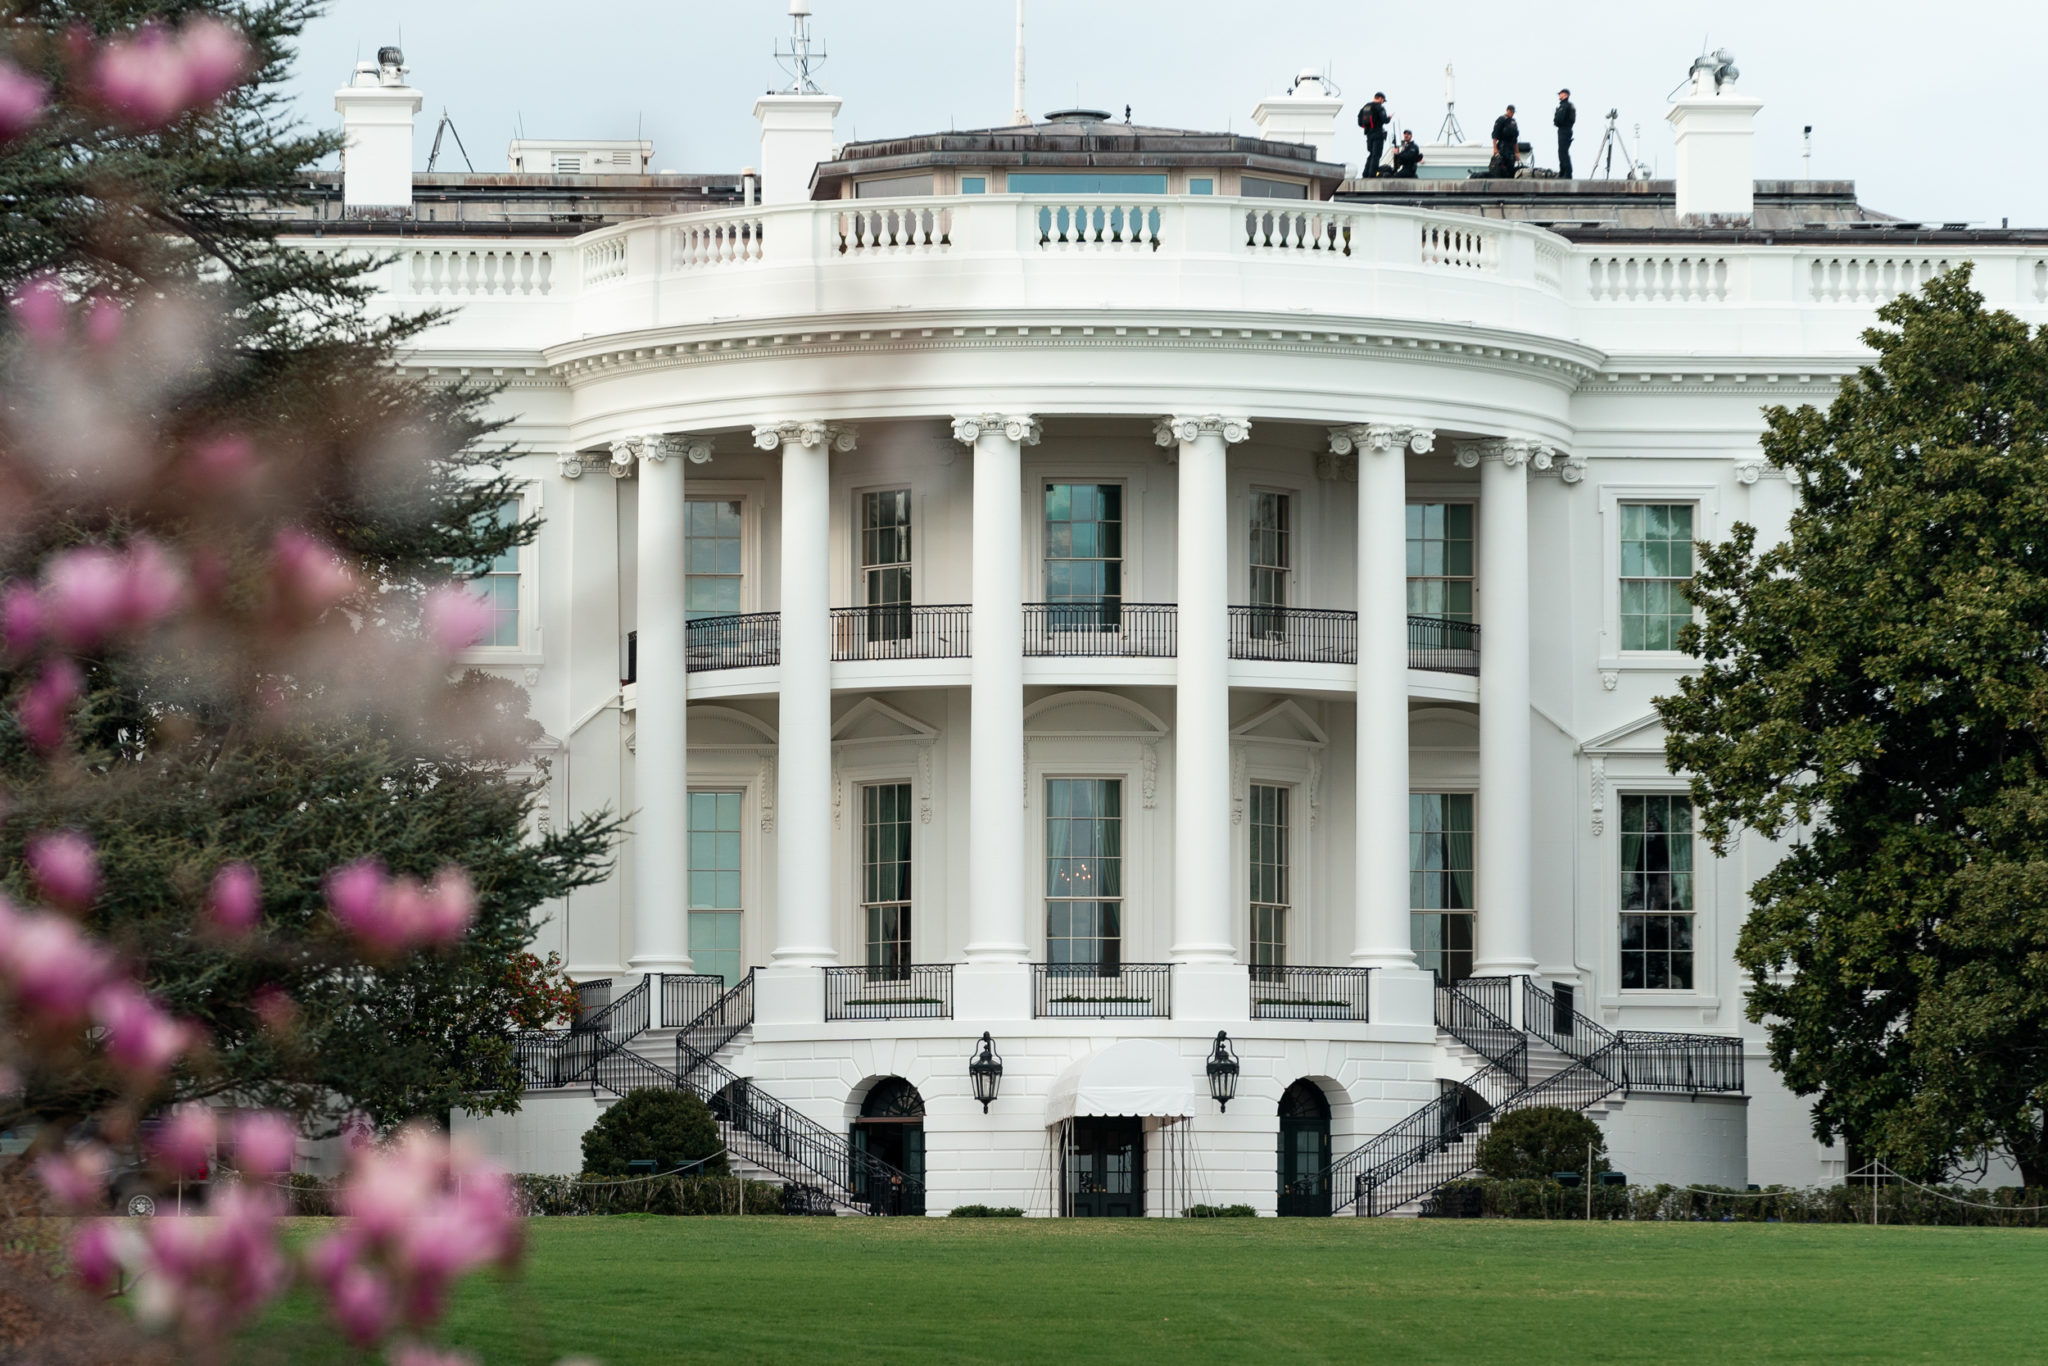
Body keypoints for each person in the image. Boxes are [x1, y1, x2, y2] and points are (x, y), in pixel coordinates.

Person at [1358, 92, 1389, 178]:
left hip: (1369, 135)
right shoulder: (1379, 107)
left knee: (1371, 154)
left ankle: (1365, 174)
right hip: (1378, 134)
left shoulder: (1365, 107)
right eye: (1383, 100)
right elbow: (1385, 120)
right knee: (1376, 155)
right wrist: (1388, 118)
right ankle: (1372, 175)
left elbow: (1360, 122)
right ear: (1380, 98)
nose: (1383, 102)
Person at [1490, 104, 1520, 177]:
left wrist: (1517, 152)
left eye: (1513, 112)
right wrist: (1495, 148)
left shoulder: (1513, 122)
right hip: (1502, 147)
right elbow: (1495, 135)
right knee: (1500, 166)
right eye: (1510, 111)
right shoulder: (1501, 120)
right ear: (1507, 110)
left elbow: (1515, 139)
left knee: (1511, 168)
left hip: (1511, 148)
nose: (1512, 113)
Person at [1555, 89, 1576, 179]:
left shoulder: (1565, 106)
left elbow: (1559, 119)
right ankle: (1563, 172)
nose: (1559, 96)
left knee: (1563, 152)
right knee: (1562, 151)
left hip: (1565, 130)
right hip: (1565, 130)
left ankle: (1566, 173)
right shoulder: (1567, 106)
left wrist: (1557, 121)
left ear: (1565, 95)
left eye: (1561, 94)